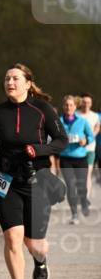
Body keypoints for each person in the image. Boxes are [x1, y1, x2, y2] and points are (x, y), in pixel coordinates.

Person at [0, 63, 67, 279]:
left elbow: (61, 141)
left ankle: (40, 261)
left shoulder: (42, 109)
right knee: (12, 237)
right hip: (6, 180)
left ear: (28, 83)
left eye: (15, 78)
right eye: (7, 79)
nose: (10, 83)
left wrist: (39, 150)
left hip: (36, 178)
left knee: (34, 243)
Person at [58, 95, 94, 223]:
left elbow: (91, 136)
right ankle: (74, 214)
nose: (69, 107)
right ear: (63, 106)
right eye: (66, 105)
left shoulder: (82, 121)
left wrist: (86, 141)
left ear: (75, 106)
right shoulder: (58, 122)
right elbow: (52, 137)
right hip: (65, 159)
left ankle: (83, 202)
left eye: (71, 105)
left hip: (80, 158)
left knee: (81, 186)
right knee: (70, 186)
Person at [80, 93, 100, 194]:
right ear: (81, 103)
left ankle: (86, 198)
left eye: (88, 102)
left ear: (91, 103)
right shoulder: (76, 115)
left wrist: (88, 139)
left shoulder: (95, 116)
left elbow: (97, 129)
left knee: (87, 174)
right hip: (77, 150)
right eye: (84, 102)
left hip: (90, 149)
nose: (86, 104)